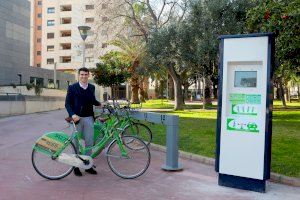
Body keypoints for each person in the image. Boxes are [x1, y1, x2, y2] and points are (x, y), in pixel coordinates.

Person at [65, 67, 101, 176]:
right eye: (82, 74)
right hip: (77, 119)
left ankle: (87, 166)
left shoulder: (91, 87)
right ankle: (75, 166)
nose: (84, 76)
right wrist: (72, 115)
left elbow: (92, 100)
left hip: (89, 118)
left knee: (89, 143)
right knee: (75, 143)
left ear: (88, 75)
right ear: (78, 75)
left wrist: (99, 103)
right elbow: (67, 104)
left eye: (86, 74)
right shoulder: (72, 87)